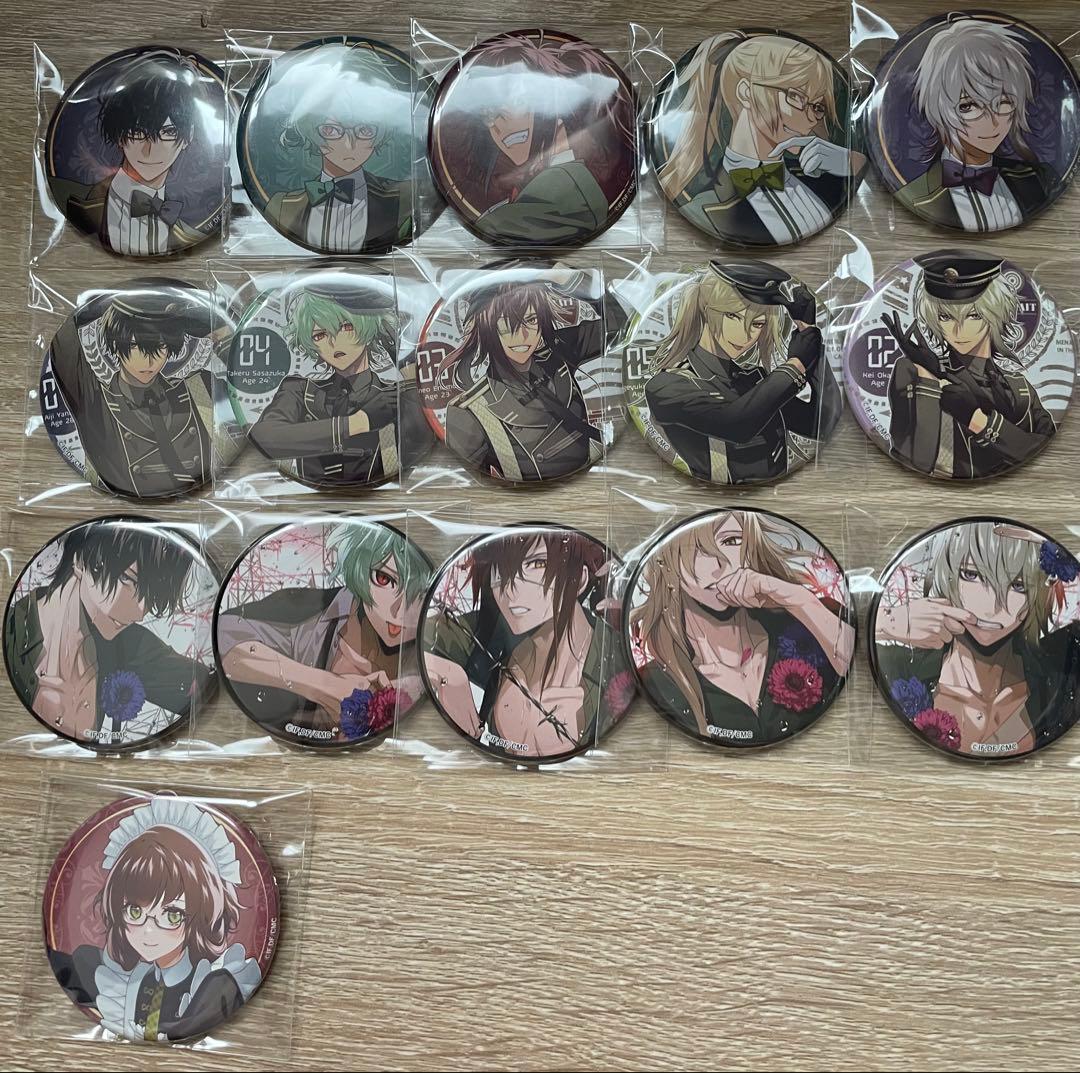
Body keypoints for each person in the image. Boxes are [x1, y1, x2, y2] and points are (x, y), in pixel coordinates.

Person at [47, 797, 261, 1042]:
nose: (148, 931)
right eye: (134, 912)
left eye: (172, 915)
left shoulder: (214, 987)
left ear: (201, 914)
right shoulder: (131, 979)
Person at [631, 511, 854, 744]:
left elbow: (854, 662)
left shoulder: (808, 618)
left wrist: (799, 600)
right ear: (668, 563)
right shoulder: (660, 679)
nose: (720, 564)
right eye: (697, 548)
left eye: (731, 541)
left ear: (751, 546)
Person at [875, 521, 1080, 756]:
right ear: (946, 574)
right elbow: (846, 637)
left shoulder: (1057, 668)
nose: (990, 608)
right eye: (971, 575)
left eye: (1018, 585)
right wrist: (887, 621)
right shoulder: (903, 666)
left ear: (1037, 593)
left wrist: (1063, 559)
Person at [4, 521, 212, 747]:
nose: (140, 611)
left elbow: (202, 682)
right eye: (128, 579)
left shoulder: (130, 645)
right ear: (81, 559)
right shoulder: (14, 632)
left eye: (151, 596)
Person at [216, 524, 429, 742]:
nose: (399, 612)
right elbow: (225, 638)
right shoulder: (310, 615)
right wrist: (325, 685)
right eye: (384, 579)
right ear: (359, 567)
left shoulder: (438, 642)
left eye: (419, 593)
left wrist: (424, 682)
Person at [424, 531, 625, 758]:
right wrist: (447, 673)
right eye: (499, 569)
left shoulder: (615, 657)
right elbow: (413, 639)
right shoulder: (490, 632)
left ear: (579, 578)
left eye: (537, 564)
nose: (511, 588)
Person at [642, 260, 842, 483]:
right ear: (705, 311)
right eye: (733, 316)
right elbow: (734, 425)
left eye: (757, 324)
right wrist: (796, 364)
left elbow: (820, 424)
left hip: (785, 492)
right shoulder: (667, 385)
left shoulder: (754, 380)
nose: (745, 335)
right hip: (707, 496)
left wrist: (811, 344)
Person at [655, 33, 864, 245]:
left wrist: (852, 162)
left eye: (817, 107)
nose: (811, 118)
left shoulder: (824, 176)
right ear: (746, 92)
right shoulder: (702, 205)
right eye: (795, 96)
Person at [881, 252, 1055, 478]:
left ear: (994, 315)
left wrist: (979, 422)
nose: (958, 330)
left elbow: (1042, 448)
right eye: (945, 317)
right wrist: (928, 382)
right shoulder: (915, 372)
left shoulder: (1020, 387)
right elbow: (916, 461)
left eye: (973, 316)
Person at [450, 33, 634, 243]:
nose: (500, 125)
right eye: (489, 113)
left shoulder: (568, 190)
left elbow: (498, 226)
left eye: (519, 103)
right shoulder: (529, 188)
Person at [46, 286, 224, 498]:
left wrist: (188, 319)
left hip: (205, 497)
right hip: (114, 501)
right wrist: (113, 304)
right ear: (115, 345)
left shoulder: (197, 387)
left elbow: (242, 367)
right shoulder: (95, 401)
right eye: (134, 346)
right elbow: (64, 345)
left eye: (160, 347)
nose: (148, 361)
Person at [246, 282, 430, 486]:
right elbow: (265, 437)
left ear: (368, 327)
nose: (333, 343)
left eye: (345, 327)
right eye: (319, 335)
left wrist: (406, 360)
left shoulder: (394, 395)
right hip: (301, 497)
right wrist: (359, 422)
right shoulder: (299, 390)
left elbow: (421, 439)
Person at [440, 277, 605, 482]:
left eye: (531, 320)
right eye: (506, 323)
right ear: (488, 327)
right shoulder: (470, 411)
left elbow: (619, 326)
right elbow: (465, 482)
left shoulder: (558, 352)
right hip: (531, 496)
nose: (522, 335)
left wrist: (569, 278)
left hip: (596, 478)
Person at [894, 18, 1052, 231]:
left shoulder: (1038, 179)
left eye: (1003, 102)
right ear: (938, 107)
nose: (993, 122)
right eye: (968, 106)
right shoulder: (914, 197)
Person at [262, 43, 413, 252]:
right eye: (332, 130)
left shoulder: (406, 198)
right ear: (310, 129)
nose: (349, 145)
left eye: (365, 130)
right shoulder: (281, 206)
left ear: (381, 132)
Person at [54, 51, 208, 254]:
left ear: (188, 136)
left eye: (168, 132)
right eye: (137, 132)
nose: (150, 150)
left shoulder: (189, 234)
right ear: (119, 135)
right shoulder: (69, 200)